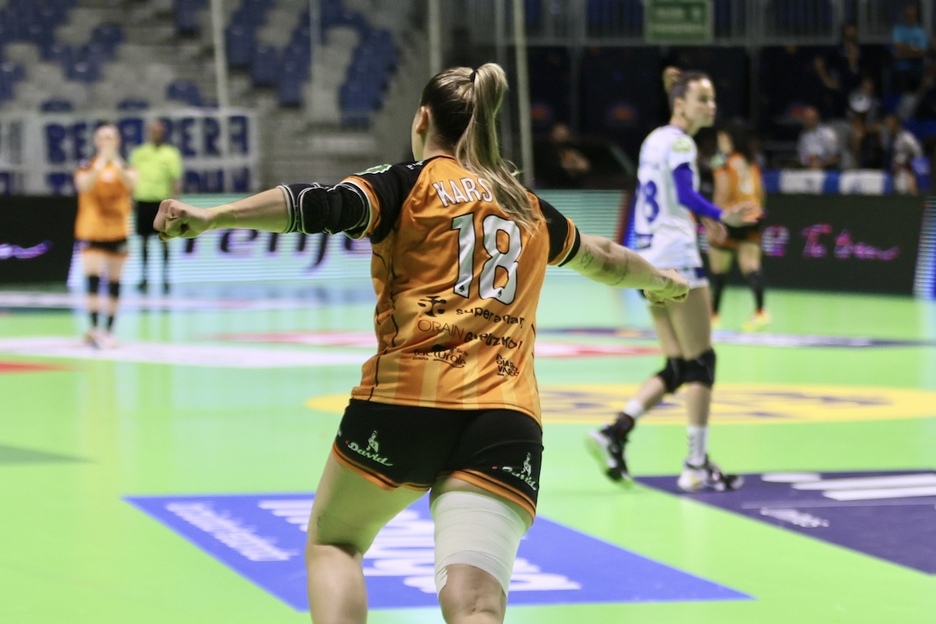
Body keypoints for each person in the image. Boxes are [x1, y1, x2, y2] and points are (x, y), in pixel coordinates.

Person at [153, 63, 688, 624]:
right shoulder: (526, 205)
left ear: (423, 118)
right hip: (506, 421)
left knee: (335, 542)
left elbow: (317, 204)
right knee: (477, 603)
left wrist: (215, 216)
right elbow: (604, 257)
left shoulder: (406, 183)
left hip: (406, 406)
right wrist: (664, 281)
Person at [587, 71, 759, 493]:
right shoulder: (682, 143)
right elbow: (683, 194)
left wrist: (703, 222)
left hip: (648, 258)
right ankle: (696, 464)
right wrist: (722, 216)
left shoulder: (653, 140)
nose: (711, 106)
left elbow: (664, 198)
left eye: (714, 98)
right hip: (678, 258)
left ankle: (616, 430)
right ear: (680, 103)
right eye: (703, 98)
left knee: (679, 366)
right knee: (702, 362)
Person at [73, 124, 137, 348]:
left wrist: (115, 162)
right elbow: (84, 186)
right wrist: (101, 161)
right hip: (92, 231)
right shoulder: (87, 166)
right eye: (103, 137)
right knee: (92, 280)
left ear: (118, 140)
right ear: (96, 141)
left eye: (111, 137)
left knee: (114, 282)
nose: (107, 141)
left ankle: (109, 330)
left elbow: (131, 186)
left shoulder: (126, 167)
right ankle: (93, 328)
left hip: (118, 231)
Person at [706, 122, 769, 331]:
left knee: (718, 268)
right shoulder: (751, 163)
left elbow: (722, 191)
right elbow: (760, 193)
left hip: (732, 215)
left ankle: (713, 315)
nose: (720, 143)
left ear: (729, 140)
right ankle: (761, 312)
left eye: (722, 139)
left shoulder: (723, 162)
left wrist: (714, 218)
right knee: (751, 265)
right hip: (753, 215)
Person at [130, 119, 183, 294]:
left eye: (159, 131)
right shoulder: (139, 153)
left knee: (164, 240)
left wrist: (175, 203)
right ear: (148, 133)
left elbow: (175, 180)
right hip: (143, 200)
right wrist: (130, 200)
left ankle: (165, 277)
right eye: (153, 131)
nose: (156, 134)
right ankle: (144, 277)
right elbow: (131, 178)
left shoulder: (171, 154)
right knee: (143, 241)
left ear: (164, 133)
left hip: (162, 203)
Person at [534, 122, 591, 188]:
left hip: (573, 187)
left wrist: (573, 165)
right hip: (551, 187)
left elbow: (584, 166)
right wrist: (572, 166)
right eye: (559, 134)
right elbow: (554, 168)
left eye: (564, 134)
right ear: (552, 134)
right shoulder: (545, 150)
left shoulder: (571, 149)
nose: (562, 136)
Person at [882, 113, 923, 194]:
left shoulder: (907, 137)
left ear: (896, 124)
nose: (888, 126)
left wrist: (907, 163)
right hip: (893, 174)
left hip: (905, 174)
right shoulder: (889, 139)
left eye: (890, 124)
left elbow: (919, 153)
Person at [797, 105, 840, 170]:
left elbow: (837, 156)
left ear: (817, 117)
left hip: (827, 170)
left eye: (811, 118)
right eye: (806, 118)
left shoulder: (827, 132)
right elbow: (801, 157)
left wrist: (821, 163)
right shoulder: (803, 135)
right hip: (807, 171)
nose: (809, 121)